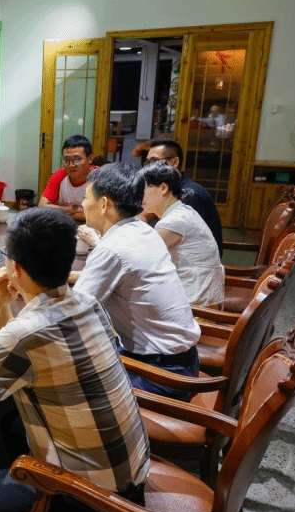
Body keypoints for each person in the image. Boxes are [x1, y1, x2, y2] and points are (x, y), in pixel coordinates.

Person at [0, 208, 150, 512]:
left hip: (90, 500)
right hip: (129, 473)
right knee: (13, 424)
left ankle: (41, 511)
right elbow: (20, 346)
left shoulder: (27, 334)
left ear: (16, 268)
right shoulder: (89, 304)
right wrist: (4, 304)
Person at [70, 162, 200, 401]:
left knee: (63, 385)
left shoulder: (112, 248)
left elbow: (72, 316)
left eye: (86, 198)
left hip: (160, 375)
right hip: (183, 361)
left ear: (104, 204)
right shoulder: (143, 230)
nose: (82, 205)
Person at [138, 161, 224, 307]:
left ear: (163, 188)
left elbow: (138, 258)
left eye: (143, 189)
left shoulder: (174, 221)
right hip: (200, 299)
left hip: (196, 309)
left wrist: (100, 242)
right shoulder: (183, 211)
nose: (138, 195)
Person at [145, 138, 224, 257]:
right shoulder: (174, 189)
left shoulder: (192, 194)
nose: (149, 167)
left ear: (175, 162)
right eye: (147, 163)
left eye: (155, 161)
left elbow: (151, 251)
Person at [38, 134, 95, 223]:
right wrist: (74, 209)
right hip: (64, 225)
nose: (71, 165)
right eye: (67, 160)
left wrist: (60, 212)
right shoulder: (60, 175)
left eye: (77, 159)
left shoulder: (99, 178)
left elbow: (97, 215)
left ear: (90, 159)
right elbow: (42, 206)